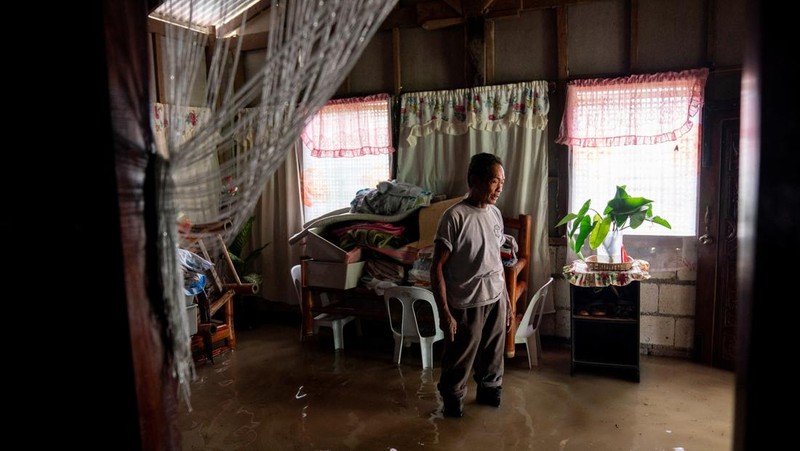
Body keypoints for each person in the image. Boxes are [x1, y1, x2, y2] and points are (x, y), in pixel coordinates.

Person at [430, 152, 512, 418]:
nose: (499, 187)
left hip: (496, 296)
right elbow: (437, 268)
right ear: (475, 180)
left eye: (501, 181)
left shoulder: (495, 214)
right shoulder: (454, 217)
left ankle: (489, 400)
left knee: (493, 358)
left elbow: (496, 260)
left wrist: (507, 301)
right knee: (459, 360)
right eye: (493, 181)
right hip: (467, 302)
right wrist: (445, 312)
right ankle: (452, 405)